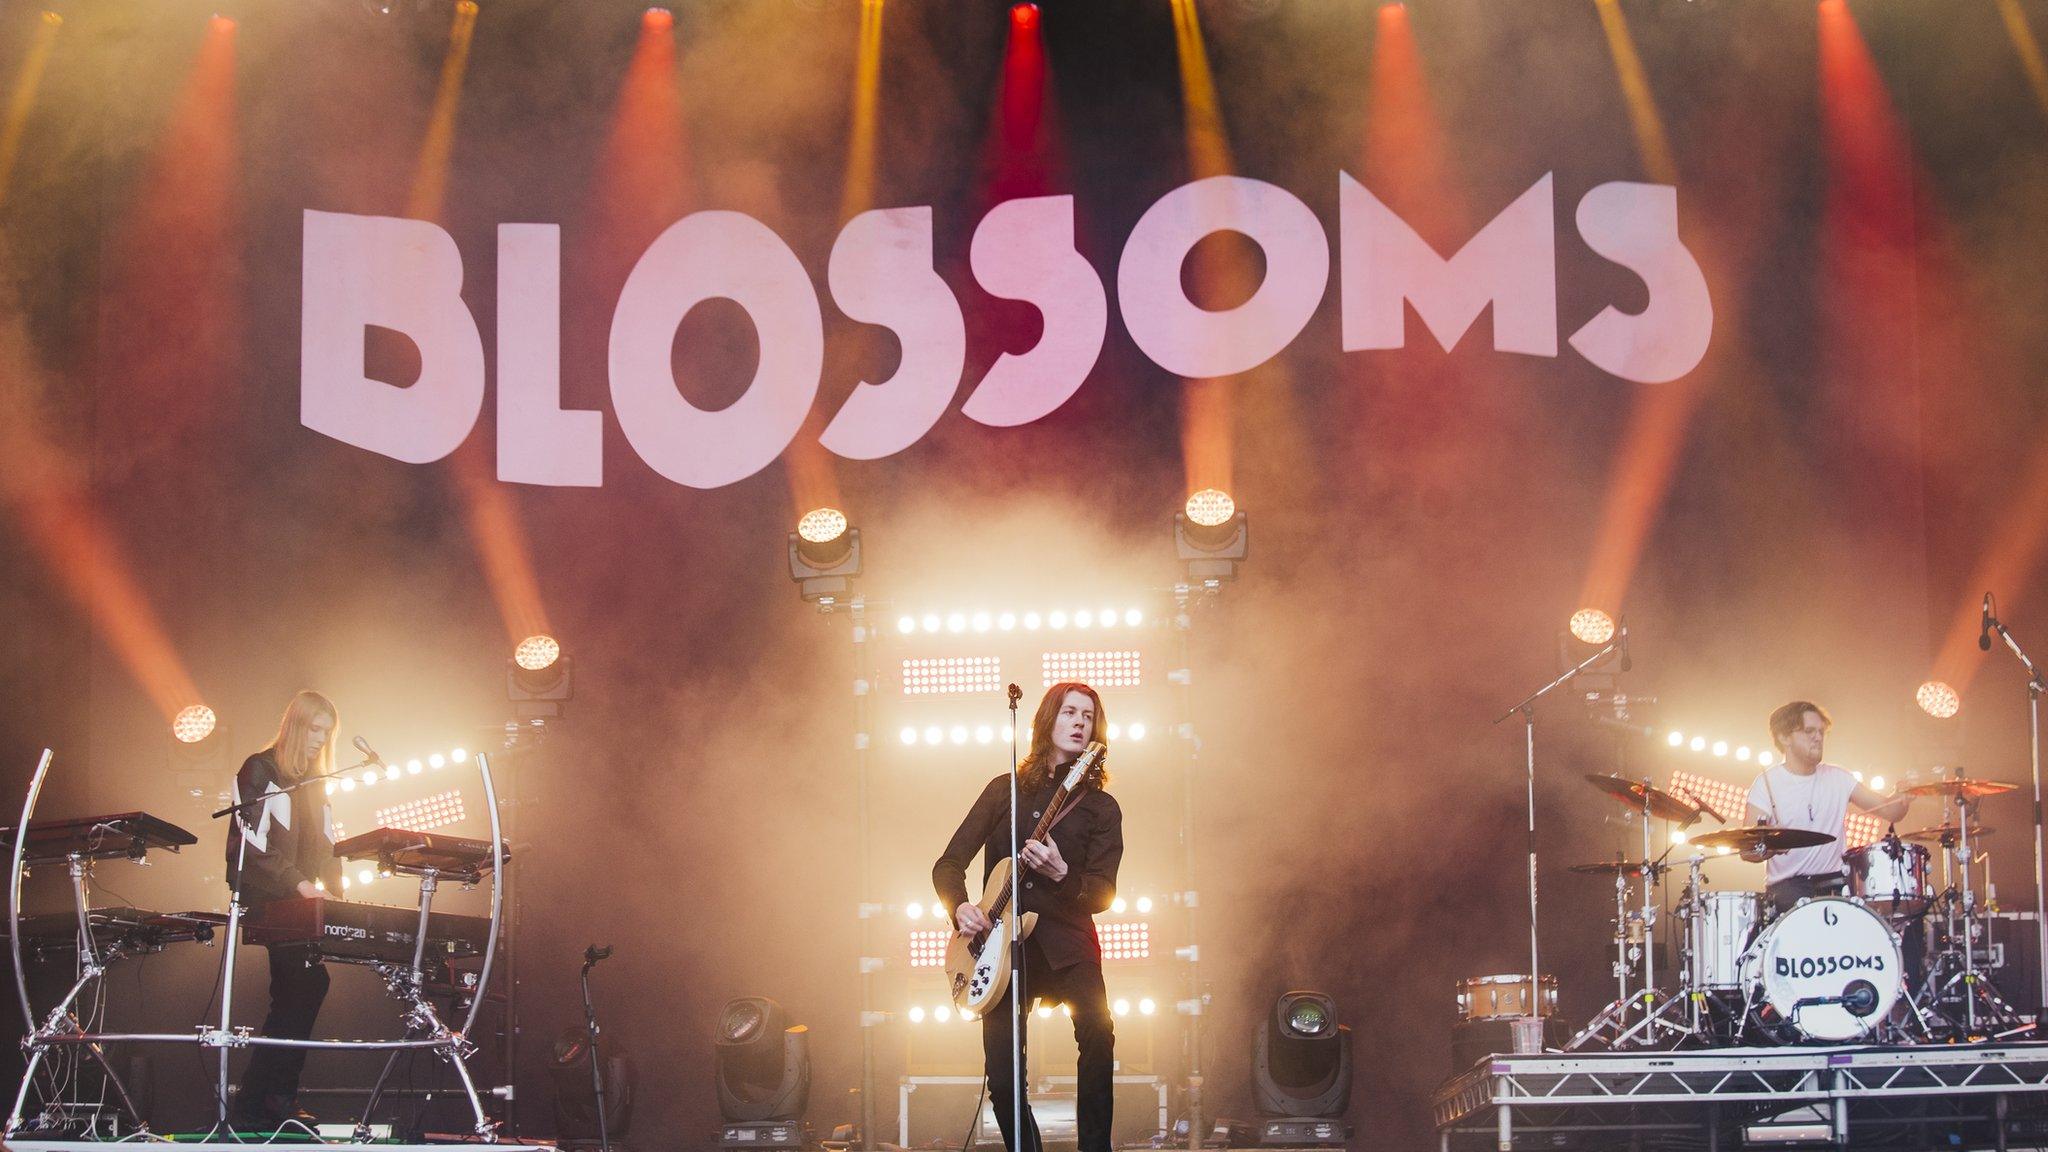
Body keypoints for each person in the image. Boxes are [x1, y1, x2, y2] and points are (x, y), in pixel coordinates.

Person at [933, 682, 1124, 1152]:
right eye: (1069, 713)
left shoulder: (1101, 807)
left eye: (1088, 715)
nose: (1080, 722)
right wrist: (961, 908)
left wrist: (1062, 873)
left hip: (1068, 941)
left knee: (1098, 1033)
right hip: (1001, 946)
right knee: (1002, 1070)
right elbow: (949, 863)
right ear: (1046, 721)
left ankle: (1095, 1148)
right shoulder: (1006, 792)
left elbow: (1102, 893)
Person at [225, 690, 344, 1128]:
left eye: (326, 733)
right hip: (273, 897)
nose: (319, 740)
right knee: (304, 984)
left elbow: (327, 845)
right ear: (296, 726)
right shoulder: (261, 769)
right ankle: (270, 1098)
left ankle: (261, 1101)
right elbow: (253, 845)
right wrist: (300, 884)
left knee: (302, 988)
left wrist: (335, 892)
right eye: (314, 729)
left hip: (303, 901)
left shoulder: (317, 781)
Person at [1744, 700, 1914, 911]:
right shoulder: (1766, 783)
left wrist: (1902, 797)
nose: (1818, 737)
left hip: (1837, 882)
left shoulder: (1838, 778)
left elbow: (1891, 811)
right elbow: (1747, 850)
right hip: (1788, 888)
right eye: (1809, 731)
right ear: (1784, 737)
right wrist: (1771, 848)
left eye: (1821, 732)